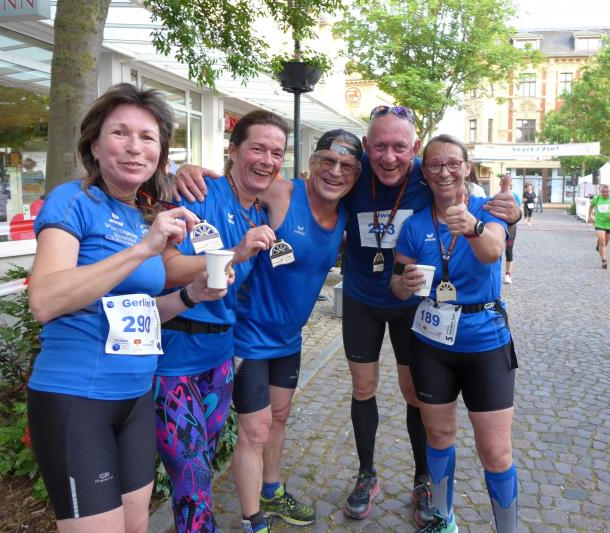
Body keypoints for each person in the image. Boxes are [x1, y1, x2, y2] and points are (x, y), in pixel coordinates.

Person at [172, 105, 521, 527]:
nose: (389, 157)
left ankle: (423, 481)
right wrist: (187, 171)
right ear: (367, 148)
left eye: (399, 148)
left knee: (414, 394)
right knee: (362, 388)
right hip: (360, 298)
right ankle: (365, 474)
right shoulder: (351, 174)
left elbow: (462, 189)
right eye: (379, 147)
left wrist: (512, 210)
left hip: (410, 304)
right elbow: (247, 184)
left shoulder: (424, 175)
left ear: (413, 149)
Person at [26, 83, 228, 532]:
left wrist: (192, 295)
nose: (135, 147)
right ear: (95, 146)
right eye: (120, 133)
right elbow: (44, 300)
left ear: (160, 153)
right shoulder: (73, 200)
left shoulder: (141, 215)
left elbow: (139, 311)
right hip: (77, 397)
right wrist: (144, 249)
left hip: (135, 397)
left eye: (148, 137)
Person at [157, 110, 289, 533]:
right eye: (257, 148)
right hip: (174, 357)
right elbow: (166, 268)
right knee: (192, 476)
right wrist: (236, 252)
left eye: (277, 153)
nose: (267, 160)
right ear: (232, 150)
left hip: (219, 360)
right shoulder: (198, 193)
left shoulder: (258, 216)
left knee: (202, 464)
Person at [229, 130, 362, 533]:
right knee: (254, 429)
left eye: (346, 166)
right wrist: (192, 173)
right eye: (327, 160)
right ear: (311, 162)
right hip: (249, 335)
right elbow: (233, 182)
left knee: (279, 417)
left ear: (356, 175)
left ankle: (271, 490)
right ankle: (253, 520)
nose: (335, 171)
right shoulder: (282, 192)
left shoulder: (345, 215)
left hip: (289, 339)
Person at [391, 134, 517, 533]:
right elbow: (396, 283)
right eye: (434, 164)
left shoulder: (488, 209)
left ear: (466, 168)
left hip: (486, 342)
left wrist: (474, 228)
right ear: (424, 173)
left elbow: (493, 251)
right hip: (432, 344)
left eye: (452, 163)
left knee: (495, 450)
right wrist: (404, 284)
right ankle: (444, 520)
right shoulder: (415, 225)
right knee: (439, 434)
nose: (444, 171)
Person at [588, 184, 610, 269]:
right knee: (603, 242)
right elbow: (591, 206)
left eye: (607, 192)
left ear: (609, 192)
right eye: (603, 192)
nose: (605, 193)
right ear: (600, 191)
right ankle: (604, 261)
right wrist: (590, 216)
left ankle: (599, 244)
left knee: (605, 243)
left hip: (609, 224)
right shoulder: (596, 199)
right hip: (599, 223)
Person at [499, 174, 521, 285]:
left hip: (511, 227)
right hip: (498, 227)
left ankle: (508, 274)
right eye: (502, 183)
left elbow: (518, 212)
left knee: (508, 250)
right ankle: (496, 273)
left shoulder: (515, 196)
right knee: (497, 250)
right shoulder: (497, 195)